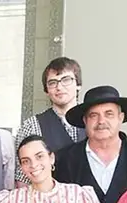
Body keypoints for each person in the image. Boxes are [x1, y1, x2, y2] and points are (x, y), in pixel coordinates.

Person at [14, 57, 84, 187]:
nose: (59, 87)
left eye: (66, 80)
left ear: (78, 84)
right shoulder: (31, 126)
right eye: (52, 83)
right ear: (46, 91)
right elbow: (22, 177)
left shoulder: (93, 121)